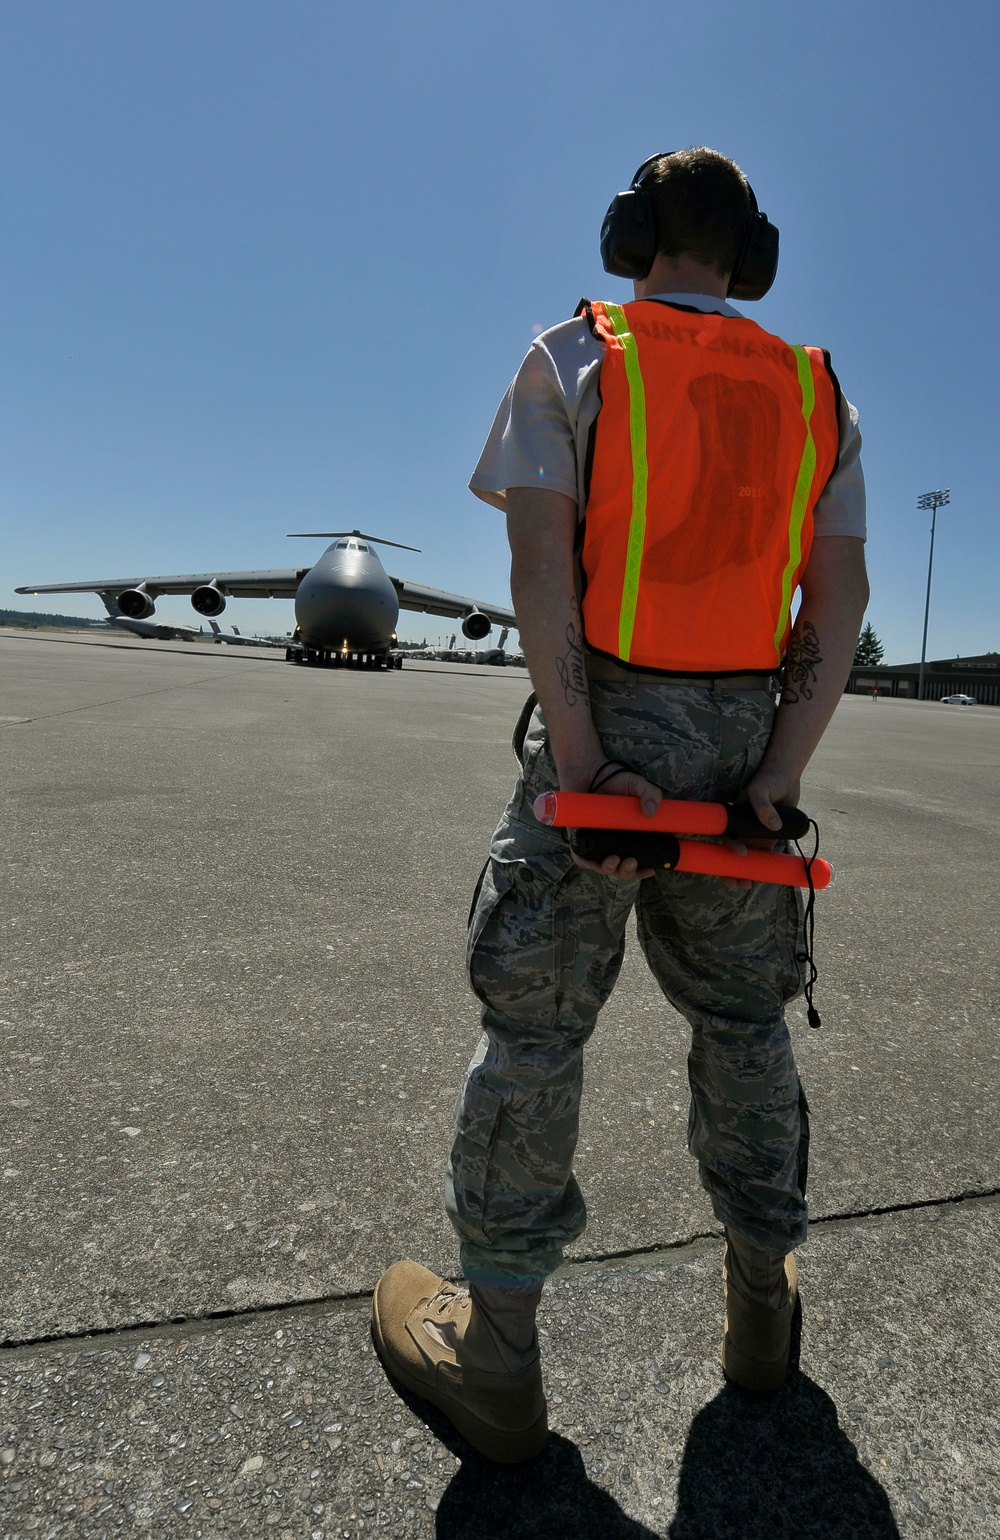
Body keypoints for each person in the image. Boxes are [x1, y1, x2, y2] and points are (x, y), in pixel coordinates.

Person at [371, 148, 869, 1464]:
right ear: (747, 254)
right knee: (746, 1030)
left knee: (536, 1040)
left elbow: (543, 572)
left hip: (608, 747)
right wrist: (776, 778)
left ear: (632, 234)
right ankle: (761, 1311)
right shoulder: (816, 391)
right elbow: (840, 605)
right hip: (740, 748)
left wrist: (586, 761)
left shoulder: (576, 358)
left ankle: (499, 1359)